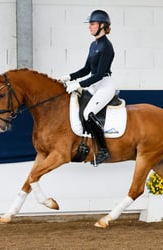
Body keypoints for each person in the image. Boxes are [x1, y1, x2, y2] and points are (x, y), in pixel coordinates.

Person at [59, 9, 115, 165]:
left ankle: (104, 150)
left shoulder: (107, 47)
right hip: (94, 85)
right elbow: (87, 70)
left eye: (92, 24)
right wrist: (69, 77)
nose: (89, 27)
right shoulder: (93, 45)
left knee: (88, 113)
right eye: (89, 24)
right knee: (75, 105)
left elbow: (98, 74)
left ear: (102, 25)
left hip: (104, 85)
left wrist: (79, 84)